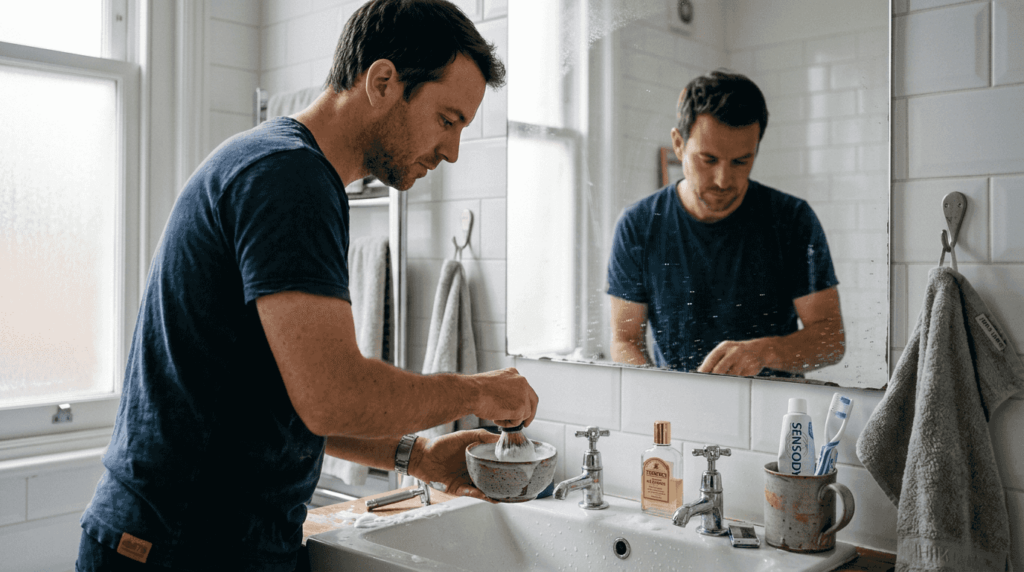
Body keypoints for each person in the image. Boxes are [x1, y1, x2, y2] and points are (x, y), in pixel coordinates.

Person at [76, 1, 538, 570]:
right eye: (448, 119)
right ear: (383, 81)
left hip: (198, 538)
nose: (452, 151)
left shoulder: (284, 168)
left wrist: (416, 455)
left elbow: (289, 399)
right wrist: (481, 392)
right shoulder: (288, 178)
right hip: (180, 545)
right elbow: (332, 397)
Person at [607, 70, 845, 378]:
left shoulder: (792, 219)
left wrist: (764, 352)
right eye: (708, 160)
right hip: (677, 410)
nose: (723, 180)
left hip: (775, 416)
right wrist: (660, 398)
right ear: (679, 145)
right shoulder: (638, 225)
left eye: (740, 162)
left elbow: (830, 338)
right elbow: (625, 340)